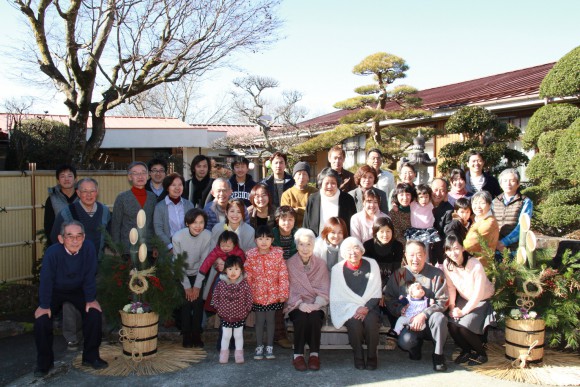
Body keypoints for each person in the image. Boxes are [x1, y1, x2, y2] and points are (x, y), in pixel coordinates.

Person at [34, 221, 107, 377]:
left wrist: (90, 299)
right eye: (70, 236)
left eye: (78, 236)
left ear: (84, 237)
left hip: (78, 289)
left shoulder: (88, 248)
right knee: (41, 320)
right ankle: (44, 364)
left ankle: (91, 357)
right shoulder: (53, 253)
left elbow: (89, 275)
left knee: (94, 313)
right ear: (61, 239)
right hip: (56, 290)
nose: (75, 240)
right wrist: (44, 305)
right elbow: (46, 279)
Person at [50, 177, 111, 350]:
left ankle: (99, 333)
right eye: (84, 191)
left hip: (97, 263)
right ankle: (72, 337)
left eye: (92, 191)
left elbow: (109, 237)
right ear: (78, 193)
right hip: (73, 264)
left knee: (98, 298)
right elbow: (56, 236)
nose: (89, 194)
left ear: (97, 192)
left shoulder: (105, 211)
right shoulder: (68, 212)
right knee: (71, 302)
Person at [384, 240, 449, 372]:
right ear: (405, 256)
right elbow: (389, 297)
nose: (415, 259)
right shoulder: (400, 274)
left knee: (440, 318)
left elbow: (443, 301)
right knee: (405, 341)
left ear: (425, 255)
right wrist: (399, 309)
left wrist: (424, 315)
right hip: (410, 322)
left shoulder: (436, 274)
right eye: (411, 255)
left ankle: (438, 355)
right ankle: (415, 347)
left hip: (430, 322)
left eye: (419, 255)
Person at [329, 237, 382, 370]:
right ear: (343, 253)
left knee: (371, 321)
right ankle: (358, 356)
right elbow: (337, 296)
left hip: (371, 307)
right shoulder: (337, 269)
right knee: (354, 323)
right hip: (349, 308)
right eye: (348, 249)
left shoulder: (372, 264)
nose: (353, 252)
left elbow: (376, 291)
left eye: (356, 248)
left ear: (362, 250)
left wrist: (366, 308)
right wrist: (356, 308)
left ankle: (371, 356)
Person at [443, 235, 495, 366]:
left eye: (456, 248)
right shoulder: (447, 264)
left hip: (481, 300)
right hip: (464, 298)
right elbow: (451, 287)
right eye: (449, 249)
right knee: (452, 325)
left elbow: (478, 294)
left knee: (464, 327)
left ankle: (481, 354)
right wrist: (452, 306)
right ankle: (466, 351)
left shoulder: (475, 265)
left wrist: (463, 311)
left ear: (463, 248)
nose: (452, 253)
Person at [285, 228, 330, 371]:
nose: (305, 248)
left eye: (309, 244)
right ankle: (297, 355)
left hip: (317, 303)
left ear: (314, 246)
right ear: (297, 246)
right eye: (301, 244)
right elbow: (289, 288)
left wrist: (317, 304)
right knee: (301, 318)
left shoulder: (321, 264)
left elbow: (324, 287)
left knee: (315, 318)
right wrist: (300, 304)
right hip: (296, 304)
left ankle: (314, 354)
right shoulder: (290, 264)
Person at [244, 226, 289, 361]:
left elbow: (283, 275)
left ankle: (269, 346)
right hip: (257, 295)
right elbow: (248, 276)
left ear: (272, 240)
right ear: (255, 240)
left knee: (270, 321)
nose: (264, 241)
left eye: (267, 238)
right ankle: (259, 346)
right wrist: (249, 294)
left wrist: (283, 293)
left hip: (273, 295)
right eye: (260, 238)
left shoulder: (277, 255)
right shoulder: (251, 256)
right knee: (259, 322)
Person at [172, 209, 212, 348]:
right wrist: (187, 286)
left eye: (201, 222)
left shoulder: (207, 235)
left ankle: (196, 334)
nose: (198, 226)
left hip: (199, 272)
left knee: (198, 303)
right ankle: (186, 335)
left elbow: (205, 261)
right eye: (194, 222)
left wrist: (197, 285)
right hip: (181, 272)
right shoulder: (178, 237)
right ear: (187, 223)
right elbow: (179, 263)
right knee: (186, 304)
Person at [212, 255, 253, 364]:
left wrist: (246, 309)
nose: (233, 272)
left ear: (241, 270)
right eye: (230, 269)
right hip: (225, 315)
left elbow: (249, 298)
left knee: (238, 335)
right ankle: (223, 354)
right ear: (225, 270)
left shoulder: (244, 284)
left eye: (236, 269)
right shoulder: (221, 283)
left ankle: (239, 355)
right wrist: (219, 308)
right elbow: (215, 297)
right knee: (226, 336)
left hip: (239, 316)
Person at [111, 162, 157, 256]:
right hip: (127, 249)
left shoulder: (153, 198)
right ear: (130, 177)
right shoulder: (122, 198)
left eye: (143, 173)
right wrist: (117, 248)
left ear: (148, 176)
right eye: (135, 173)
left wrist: (156, 245)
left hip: (148, 248)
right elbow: (116, 225)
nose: (140, 176)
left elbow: (155, 224)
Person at [303, 167, 357, 236]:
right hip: (317, 243)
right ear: (321, 184)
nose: (330, 186)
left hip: (341, 243)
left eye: (333, 183)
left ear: (338, 184)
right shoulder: (313, 199)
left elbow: (352, 226)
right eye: (326, 183)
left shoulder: (348, 199)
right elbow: (306, 225)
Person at [493, 168, 533, 253]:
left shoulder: (525, 201)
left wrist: (504, 242)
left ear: (518, 184)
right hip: (494, 248)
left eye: (512, 181)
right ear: (500, 184)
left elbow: (522, 227)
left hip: (515, 250)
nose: (508, 184)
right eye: (505, 181)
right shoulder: (494, 202)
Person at [153, 173, 194, 253]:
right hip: (168, 248)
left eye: (180, 185)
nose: (177, 188)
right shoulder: (160, 207)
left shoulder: (189, 205)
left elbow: (193, 225)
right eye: (173, 185)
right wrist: (170, 247)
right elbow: (158, 230)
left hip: (188, 246)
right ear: (167, 188)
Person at [44, 164, 78, 246]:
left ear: (75, 179)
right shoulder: (52, 199)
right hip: (59, 243)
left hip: (80, 242)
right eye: (62, 176)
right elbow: (49, 226)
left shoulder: (82, 197)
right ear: (58, 180)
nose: (66, 179)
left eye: (69, 176)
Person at [463, 190, 499, 268]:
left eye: (482, 203)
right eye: (475, 203)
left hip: (480, 265)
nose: (478, 207)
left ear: (489, 205)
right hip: (470, 262)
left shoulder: (490, 222)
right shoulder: (473, 218)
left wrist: (455, 248)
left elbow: (470, 243)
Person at [281, 161, 317, 226]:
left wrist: (298, 210)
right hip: (292, 228)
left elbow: (315, 210)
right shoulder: (287, 194)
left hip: (310, 228)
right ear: (294, 176)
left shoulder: (314, 192)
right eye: (299, 174)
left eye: (304, 174)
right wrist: (305, 210)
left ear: (308, 178)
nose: (301, 177)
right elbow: (286, 213)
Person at [430, 178, 454, 265]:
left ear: (446, 193)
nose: (438, 194)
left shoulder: (449, 210)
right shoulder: (423, 203)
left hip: (438, 251)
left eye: (442, 190)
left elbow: (447, 233)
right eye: (435, 190)